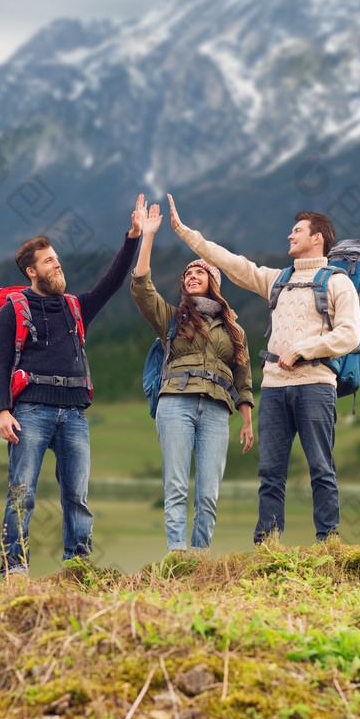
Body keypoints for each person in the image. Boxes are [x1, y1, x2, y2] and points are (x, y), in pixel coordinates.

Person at [168, 194, 360, 545]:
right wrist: (186, 233)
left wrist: (304, 349)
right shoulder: (277, 280)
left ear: (317, 237)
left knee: (320, 466)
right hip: (273, 388)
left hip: (316, 383)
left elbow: (350, 333)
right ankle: (266, 546)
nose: (290, 236)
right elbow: (231, 263)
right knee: (270, 472)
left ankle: (328, 542)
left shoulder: (337, 282)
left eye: (297, 230)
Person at [0, 208, 141, 578]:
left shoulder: (76, 307)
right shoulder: (14, 309)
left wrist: (133, 237)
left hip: (75, 414)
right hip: (30, 412)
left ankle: (78, 567)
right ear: (32, 271)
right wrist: (2, 411)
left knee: (77, 497)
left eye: (57, 259)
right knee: (22, 494)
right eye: (49, 262)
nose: (57, 265)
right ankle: (16, 569)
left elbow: (112, 282)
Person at [130, 195, 254, 553]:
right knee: (176, 486)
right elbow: (141, 287)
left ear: (213, 281)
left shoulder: (235, 330)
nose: (192, 275)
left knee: (209, 493)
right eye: (188, 273)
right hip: (176, 404)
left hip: (217, 409)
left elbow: (243, 380)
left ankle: (199, 558)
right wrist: (148, 237)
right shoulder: (171, 317)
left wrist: (246, 419)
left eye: (200, 271)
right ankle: (177, 555)